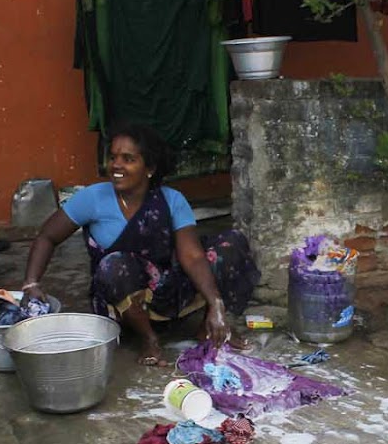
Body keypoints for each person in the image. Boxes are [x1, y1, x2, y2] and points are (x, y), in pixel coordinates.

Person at [20, 124, 260, 365]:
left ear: (150, 168)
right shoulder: (92, 198)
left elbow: (193, 257)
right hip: (121, 300)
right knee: (114, 264)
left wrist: (216, 304)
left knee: (230, 244)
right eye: (113, 157)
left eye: (128, 159)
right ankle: (149, 339)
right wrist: (31, 283)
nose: (116, 165)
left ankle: (208, 327)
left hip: (166, 292)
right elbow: (47, 236)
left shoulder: (171, 200)